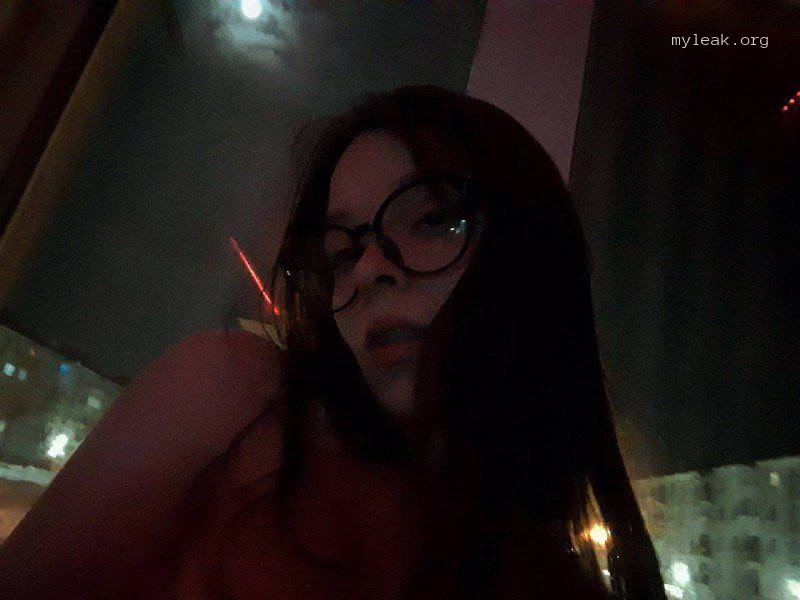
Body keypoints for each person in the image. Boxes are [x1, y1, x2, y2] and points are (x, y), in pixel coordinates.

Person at [0, 85, 666, 599]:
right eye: (343, 250)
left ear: (531, 247)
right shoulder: (234, 397)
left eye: (433, 219)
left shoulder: (549, 577)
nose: (370, 268)